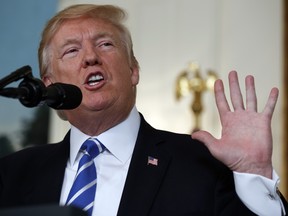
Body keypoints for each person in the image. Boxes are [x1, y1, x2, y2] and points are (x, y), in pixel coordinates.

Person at [0, 4, 287, 216]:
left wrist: (254, 174)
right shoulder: (13, 174)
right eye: (71, 51)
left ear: (133, 70)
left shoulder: (201, 165)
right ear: (49, 85)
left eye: (105, 44)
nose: (90, 57)